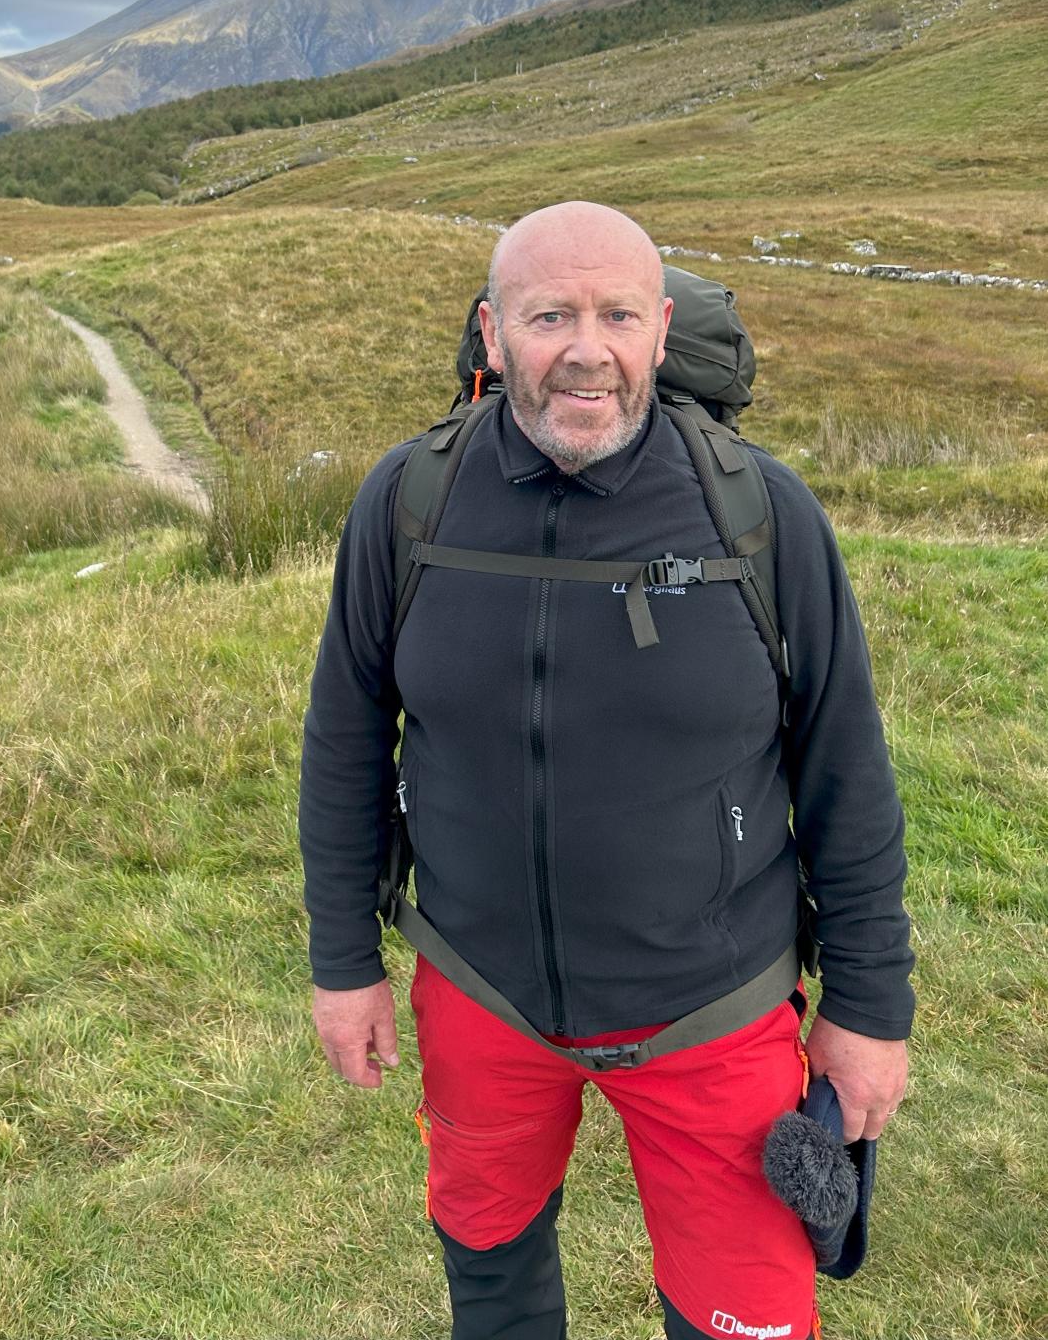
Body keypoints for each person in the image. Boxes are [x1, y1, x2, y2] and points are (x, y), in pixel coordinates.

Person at [298, 201, 912, 1340]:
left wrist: (870, 1008)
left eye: (618, 313)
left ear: (661, 329)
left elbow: (847, 768)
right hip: (482, 993)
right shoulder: (408, 501)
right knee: (489, 1273)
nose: (588, 347)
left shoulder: (761, 517)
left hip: (712, 1010)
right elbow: (344, 735)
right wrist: (345, 960)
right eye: (550, 315)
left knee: (749, 1319)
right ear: (492, 333)